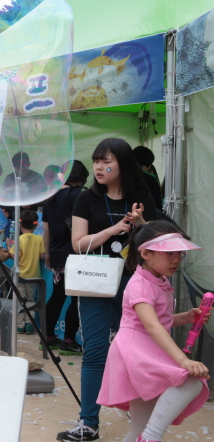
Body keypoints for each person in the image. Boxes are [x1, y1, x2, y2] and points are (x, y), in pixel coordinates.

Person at [58, 138, 157, 442]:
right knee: (96, 351)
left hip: (134, 284)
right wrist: (113, 230)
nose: (99, 167)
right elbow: (78, 243)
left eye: (106, 161)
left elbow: (158, 244)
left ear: (122, 164)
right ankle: (88, 423)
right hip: (95, 282)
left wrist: (143, 225)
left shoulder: (141, 197)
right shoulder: (86, 199)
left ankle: (143, 429)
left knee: (139, 352)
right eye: (97, 161)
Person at [97, 221, 210, 442]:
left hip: (144, 349)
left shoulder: (158, 280)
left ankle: (146, 436)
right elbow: (152, 326)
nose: (176, 259)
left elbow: (159, 322)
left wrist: (187, 317)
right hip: (137, 352)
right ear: (146, 254)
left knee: (138, 426)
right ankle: (150, 438)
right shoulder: (140, 284)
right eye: (169, 253)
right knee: (191, 380)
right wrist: (183, 360)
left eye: (179, 253)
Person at [42, 160, 89, 355]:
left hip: (57, 254)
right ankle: (69, 340)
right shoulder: (78, 196)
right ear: (81, 177)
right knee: (76, 298)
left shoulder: (51, 196)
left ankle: (48, 337)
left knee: (58, 295)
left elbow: (46, 229)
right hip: (75, 253)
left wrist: (48, 253)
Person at [8, 209, 45, 334]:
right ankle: (30, 325)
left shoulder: (19, 239)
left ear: (20, 225)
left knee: (20, 301)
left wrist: (9, 247)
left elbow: (15, 256)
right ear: (36, 225)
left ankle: (20, 326)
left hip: (20, 276)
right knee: (31, 301)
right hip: (33, 276)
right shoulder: (39, 239)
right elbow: (42, 256)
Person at [133, 146, 163, 211]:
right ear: (147, 164)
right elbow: (157, 206)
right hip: (146, 217)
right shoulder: (151, 180)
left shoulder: (121, 177)